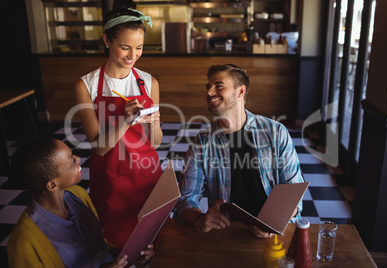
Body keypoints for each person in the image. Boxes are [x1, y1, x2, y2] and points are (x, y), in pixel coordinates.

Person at [175, 64, 304, 238]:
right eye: (208, 87)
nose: (210, 92)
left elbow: (293, 190)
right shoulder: (201, 143)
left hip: (277, 233)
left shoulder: (275, 132)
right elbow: (186, 198)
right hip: (226, 234)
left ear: (240, 91)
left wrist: (275, 221)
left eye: (218, 86)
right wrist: (200, 219)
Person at [74, 0, 163, 248]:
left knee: (151, 244)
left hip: (146, 173)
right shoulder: (87, 86)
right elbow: (99, 146)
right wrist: (126, 120)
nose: (132, 56)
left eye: (139, 48)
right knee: (116, 244)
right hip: (111, 178)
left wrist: (154, 124)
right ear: (106, 41)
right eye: (125, 48)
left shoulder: (148, 82)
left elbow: (155, 143)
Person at [7, 138, 154, 267]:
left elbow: (99, 246)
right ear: (52, 185)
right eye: (71, 161)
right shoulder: (24, 241)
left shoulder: (78, 195)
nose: (78, 158)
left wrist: (129, 256)